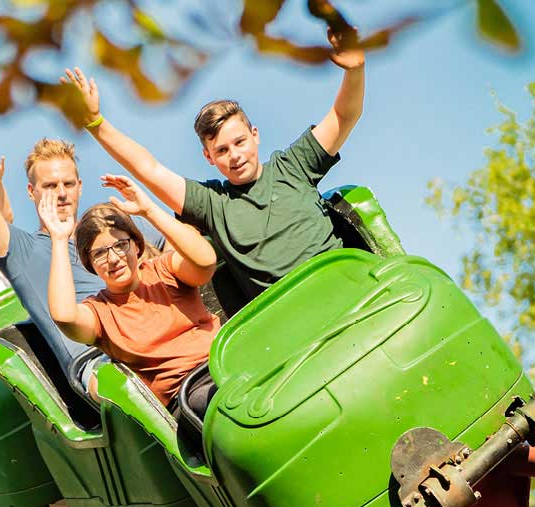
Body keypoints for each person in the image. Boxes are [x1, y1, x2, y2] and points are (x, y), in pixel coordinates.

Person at [61, 30, 367, 314]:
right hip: (292, 315)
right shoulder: (212, 203)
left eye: (240, 142)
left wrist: (354, 70)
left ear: (255, 135)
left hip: (346, 288)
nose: (234, 155)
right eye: (222, 150)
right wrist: (96, 123)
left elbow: (343, 115)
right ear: (209, 157)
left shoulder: (294, 165)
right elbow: (148, 169)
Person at [0, 66, 164, 387]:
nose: (61, 193)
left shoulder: (115, 229)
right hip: (99, 362)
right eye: (50, 186)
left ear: (79, 186)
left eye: (67, 184)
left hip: (153, 331)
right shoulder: (20, 250)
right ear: (31, 192)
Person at [43, 176, 219, 408]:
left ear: (135, 245)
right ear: (90, 264)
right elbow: (65, 316)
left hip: (222, 363)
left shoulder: (164, 270)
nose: (114, 258)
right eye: (100, 253)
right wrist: (58, 239)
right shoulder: (100, 312)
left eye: (120, 245)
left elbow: (205, 262)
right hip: (189, 395)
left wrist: (149, 211)